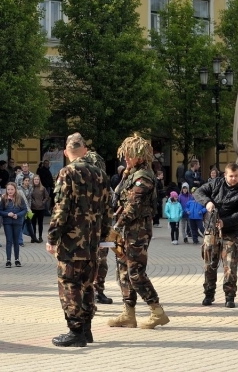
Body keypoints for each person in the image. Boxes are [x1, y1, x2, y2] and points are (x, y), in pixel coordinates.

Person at [46, 133, 111, 347]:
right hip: (92, 242)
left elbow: (61, 209)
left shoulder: (67, 173)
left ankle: (75, 331)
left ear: (66, 152)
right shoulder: (101, 175)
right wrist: (102, 236)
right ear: (85, 150)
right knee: (87, 284)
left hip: (72, 243)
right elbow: (106, 210)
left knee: (69, 284)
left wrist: (52, 238)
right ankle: (86, 329)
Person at [107, 134, 170, 331]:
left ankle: (157, 311)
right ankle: (128, 314)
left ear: (140, 156)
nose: (125, 158)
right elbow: (122, 202)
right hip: (126, 230)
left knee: (135, 273)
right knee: (123, 272)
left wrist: (116, 226)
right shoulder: (129, 174)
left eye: (129, 155)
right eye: (124, 154)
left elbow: (134, 206)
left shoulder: (143, 176)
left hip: (138, 231)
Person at [193, 163, 238, 308]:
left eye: (236, 176)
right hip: (211, 230)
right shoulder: (215, 183)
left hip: (230, 232)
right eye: (231, 176)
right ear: (225, 175)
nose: (234, 179)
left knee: (230, 266)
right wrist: (207, 203)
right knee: (209, 265)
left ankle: (229, 296)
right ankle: (208, 294)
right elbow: (198, 192)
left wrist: (225, 222)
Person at [82, 149, 114, 306]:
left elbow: (109, 208)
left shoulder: (104, 185)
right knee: (91, 263)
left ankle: (98, 291)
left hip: (98, 230)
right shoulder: (81, 183)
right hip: (88, 232)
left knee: (101, 262)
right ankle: (88, 294)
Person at [0, 182, 26, 267]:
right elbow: (0, 211)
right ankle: (8, 260)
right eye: (8, 189)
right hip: (7, 223)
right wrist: (7, 214)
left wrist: (17, 215)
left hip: (17, 222)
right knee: (9, 241)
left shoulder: (20, 198)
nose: (10, 191)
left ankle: (17, 259)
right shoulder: (4, 198)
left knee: (16, 241)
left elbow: (24, 210)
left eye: (12, 189)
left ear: (15, 190)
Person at [29, 175, 49, 243]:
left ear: (39, 180)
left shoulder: (42, 188)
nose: (36, 180)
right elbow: (29, 197)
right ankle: (33, 236)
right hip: (33, 208)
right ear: (33, 180)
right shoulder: (31, 188)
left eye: (37, 179)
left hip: (41, 208)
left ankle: (40, 236)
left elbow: (47, 196)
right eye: (35, 179)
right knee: (33, 223)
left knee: (40, 223)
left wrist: (43, 202)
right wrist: (32, 202)